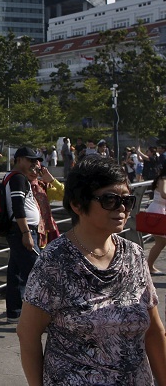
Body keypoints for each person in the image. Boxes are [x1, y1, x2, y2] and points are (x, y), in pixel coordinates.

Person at [17, 157, 166, 385]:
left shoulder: (134, 255)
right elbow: (27, 334)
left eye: (127, 200)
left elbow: (154, 331)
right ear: (78, 204)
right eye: (110, 200)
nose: (122, 208)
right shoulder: (55, 262)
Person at [4, 147, 63, 323]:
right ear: (19, 159)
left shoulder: (21, 179)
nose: (34, 165)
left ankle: (14, 312)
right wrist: (25, 233)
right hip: (24, 230)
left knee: (15, 273)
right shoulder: (17, 178)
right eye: (30, 160)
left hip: (25, 230)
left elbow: (63, 195)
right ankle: (42, 318)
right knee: (39, 274)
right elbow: (18, 206)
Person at [146, 165, 166, 274]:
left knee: (160, 242)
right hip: (159, 211)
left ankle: (149, 265)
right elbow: (163, 194)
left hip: (160, 209)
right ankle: (149, 266)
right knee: (160, 242)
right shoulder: (163, 179)